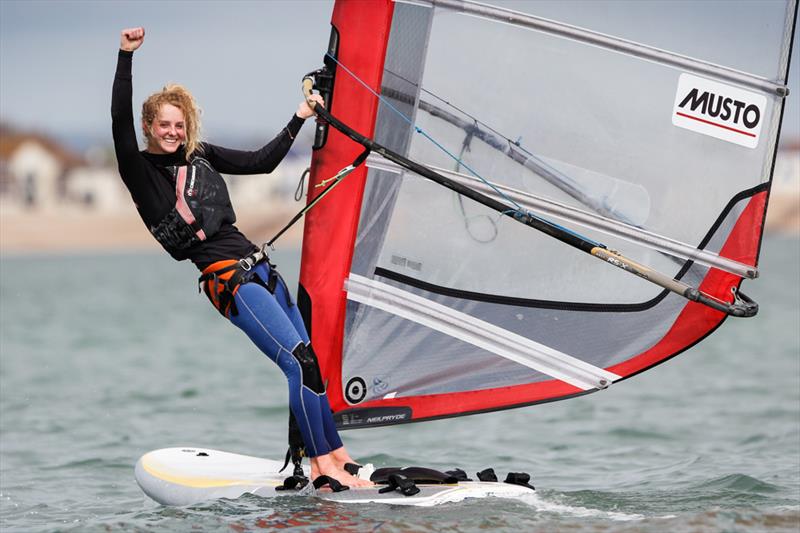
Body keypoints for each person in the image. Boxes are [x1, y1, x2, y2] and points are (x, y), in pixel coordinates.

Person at [112, 27, 371, 489]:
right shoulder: (140, 171)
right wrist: (125, 56)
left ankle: (340, 457)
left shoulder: (201, 155)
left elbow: (261, 162)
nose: (173, 132)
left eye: (179, 124)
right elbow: (116, 119)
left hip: (263, 270)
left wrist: (300, 116)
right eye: (164, 124)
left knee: (312, 361)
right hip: (231, 282)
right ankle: (321, 465)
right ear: (148, 126)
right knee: (297, 363)